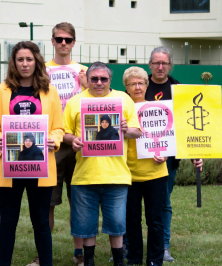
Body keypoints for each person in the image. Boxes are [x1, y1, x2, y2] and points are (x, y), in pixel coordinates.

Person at [0, 41, 64, 266]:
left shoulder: (50, 91)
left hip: (40, 166)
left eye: (29, 59)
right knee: (8, 221)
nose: (24, 63)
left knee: (40, 221)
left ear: (36, 61)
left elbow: (58, 127)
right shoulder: (0, 90)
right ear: (14, 62)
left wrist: (54, 139)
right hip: (9, 166)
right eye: (20, 59)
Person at [63, 62, 142, 266]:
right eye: (94, 79)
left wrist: (126, 129)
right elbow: (64, 132)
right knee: (86, 225)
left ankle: (118, 262)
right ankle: (88, 261)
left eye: (103, 79)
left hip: (116, 175)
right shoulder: (75, 102)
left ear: (110, 80)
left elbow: (137, 131)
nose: (99, 83)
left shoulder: (124, 100)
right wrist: (73, 140)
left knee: (116, 224)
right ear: (87, 79)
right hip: (84, 175)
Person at [145, 46, 203, 262]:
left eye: (165, 63)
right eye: (156, 63)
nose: (160, 67)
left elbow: (187, 125)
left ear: (170, 65)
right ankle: (128, 245)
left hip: (168, 157)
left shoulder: (179, 89)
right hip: (139, 154)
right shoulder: (140, 85)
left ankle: (163, 246)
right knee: (130, 201)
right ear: (149, 65)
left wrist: (195, 153)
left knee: (163, 202)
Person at [45, 22, 88, 266]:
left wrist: (85, 85)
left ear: (73, 42)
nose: (63, 43)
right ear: (52, 41)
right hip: (51, 142)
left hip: (78, 141)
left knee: (79, 199)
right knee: (48, 200)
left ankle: (79, 252)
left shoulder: (83, 70)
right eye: (59, 39)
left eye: (68, 39)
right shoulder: (42, 70)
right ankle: (44, 251)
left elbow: (98, 101)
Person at [123, 66, 168, 266]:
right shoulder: (121, 110)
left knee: (155, 220)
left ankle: (154, 260)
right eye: (133, 83)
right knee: (132, 220)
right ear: (126, 87)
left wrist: (165, 153)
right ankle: (134, 258)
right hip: (128, 173)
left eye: (141, 83)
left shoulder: (157, 109)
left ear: (147, 85)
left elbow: (168, 138)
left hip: (155, 172)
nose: (137, 87)